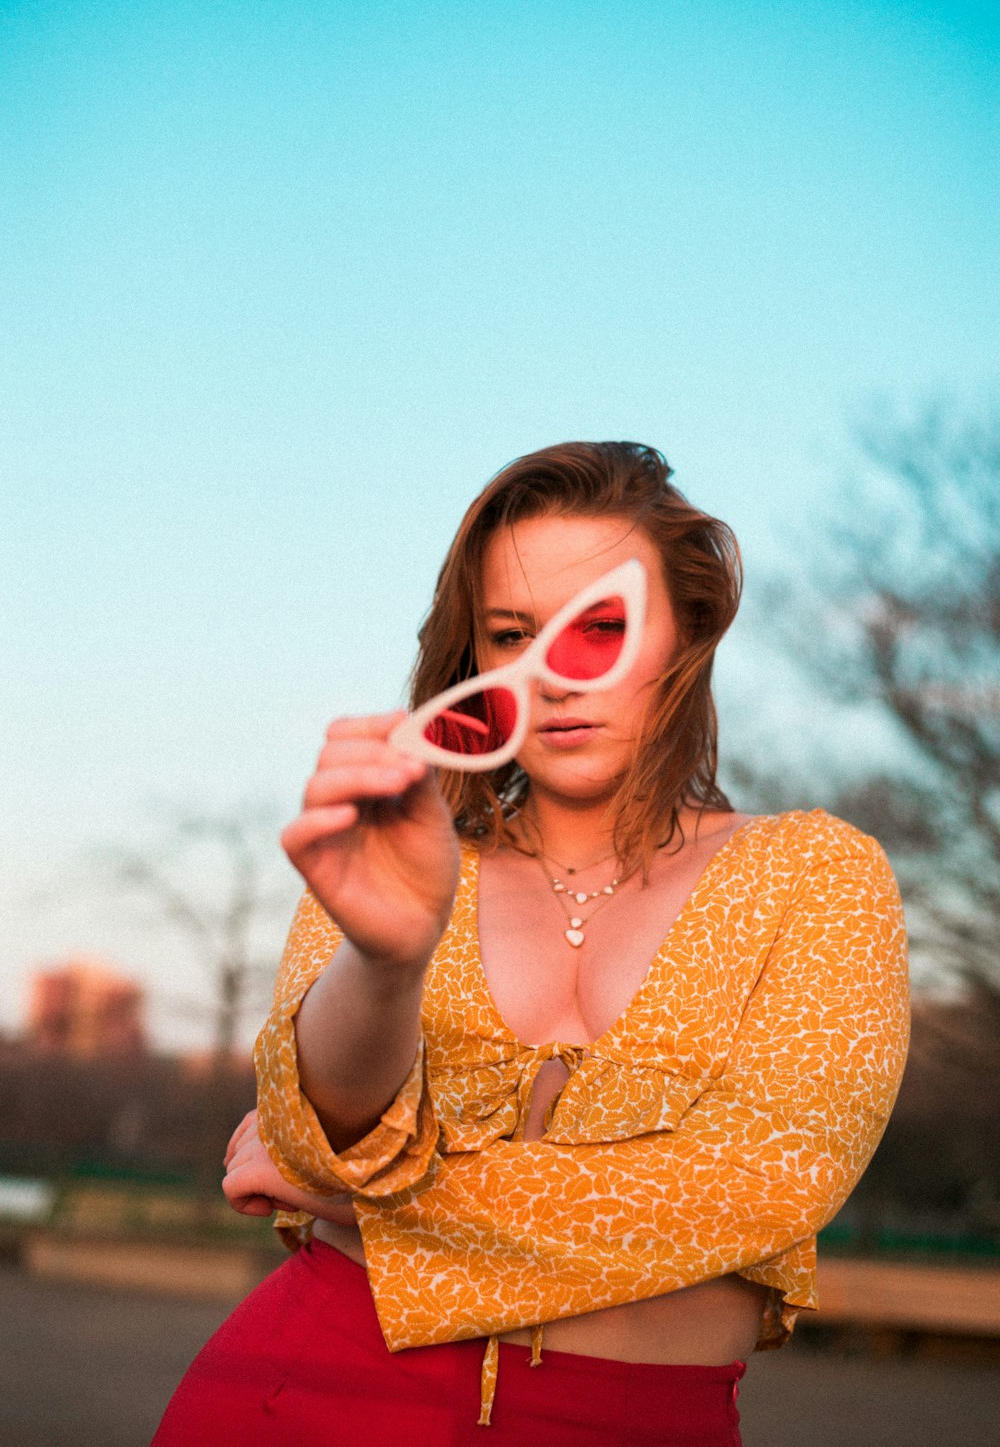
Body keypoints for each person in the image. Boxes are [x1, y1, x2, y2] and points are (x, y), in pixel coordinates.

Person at [153, 441, 910, 1447]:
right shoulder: (391, 851)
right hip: (307, 1391)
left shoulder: (816, 874)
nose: (554, 676)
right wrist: (384, 959)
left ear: (688, 629)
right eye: (512, 633)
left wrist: (355, 1194)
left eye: (601, 626)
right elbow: (309, 1127)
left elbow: (756, 1188)